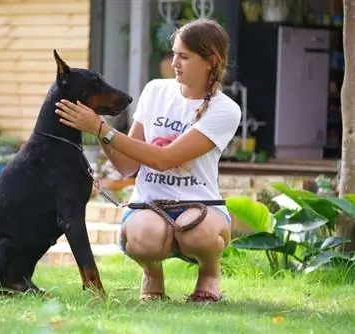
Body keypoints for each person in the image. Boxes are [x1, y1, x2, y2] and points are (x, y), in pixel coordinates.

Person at [55, 18, 241, 303]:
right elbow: (127, 165)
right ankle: (152, 274)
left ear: (210, 61)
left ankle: (209, 273)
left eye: (184, 56)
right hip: (148, 204)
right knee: (144, 238)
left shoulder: (225, 110)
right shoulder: (155, 90)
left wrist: (101, 129)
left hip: (201, 205)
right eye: (174, 53)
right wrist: (97, 127)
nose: (174, 62)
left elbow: (164, 159)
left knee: (198, 235)